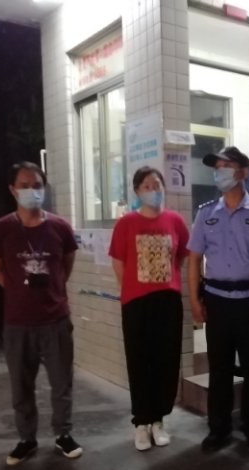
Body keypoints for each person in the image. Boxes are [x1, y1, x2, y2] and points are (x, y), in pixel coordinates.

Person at [187, 146, 249, 456]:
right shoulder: (206, 213)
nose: (220, 172)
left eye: (226, 166)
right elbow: (194, 259)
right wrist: (194, 300)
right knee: (219, 369)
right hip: (216, 301)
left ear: (243, 172)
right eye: (216, 167)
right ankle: (218, 429)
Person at [0, 161, 82, 465]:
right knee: (21, 387)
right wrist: (19, 290)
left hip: (56, 320)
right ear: (12, 190)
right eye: (24, 185)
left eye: (37, 185)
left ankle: (63, 434)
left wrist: (52, 290)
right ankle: (26, 439)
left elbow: (66, 265)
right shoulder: (0, 229)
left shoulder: (60, 227)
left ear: (44, 188)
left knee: (62, 384)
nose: (32, 191)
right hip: (17, 323)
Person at [109, 166, 189, 451]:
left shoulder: (175, 221)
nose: (153, 190)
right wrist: (133, 289)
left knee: (166, 361)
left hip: (168, 301)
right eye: (146, 185)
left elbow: (181, 257)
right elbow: (118, 262)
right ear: (136, 191)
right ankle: (141, 423)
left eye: (157, 184)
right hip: (136, 302)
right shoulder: (126, 223)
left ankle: (158, 421)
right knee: (139, 360)